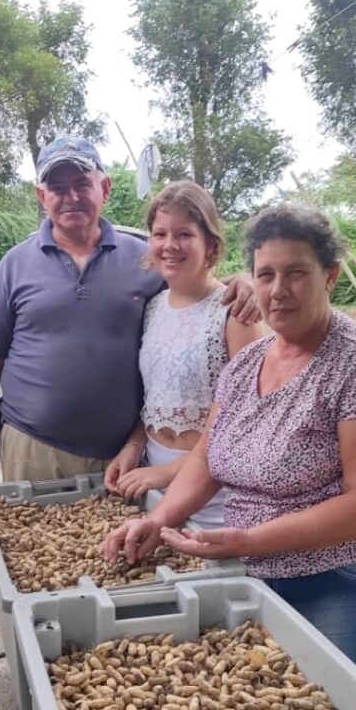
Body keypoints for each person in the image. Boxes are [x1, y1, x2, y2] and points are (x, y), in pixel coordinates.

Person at [102, 204, 356, 686]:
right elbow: (207, 457)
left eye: (296, 273)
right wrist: (159, 519)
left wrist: (249, 541)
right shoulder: (248, 362)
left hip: (341, 581)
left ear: (330, 276)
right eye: (266, 275)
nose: (278, 291)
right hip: (252, 574)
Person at [0, 135, 258, 490]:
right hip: (32, 447)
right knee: (31, 541)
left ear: (105, 188)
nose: (71, 196)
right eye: (58, 187)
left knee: (110, 546)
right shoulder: (15, 264)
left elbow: (194, 286)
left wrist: (245, 282)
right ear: (41, 196)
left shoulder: (144, 257)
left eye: (82, 184)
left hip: (120, 454)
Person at [104, 181, 263, 526]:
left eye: (184, 234)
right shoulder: (152, 308)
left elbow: (249, 419)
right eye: (160, 234)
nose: (170, 245)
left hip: (217, 493)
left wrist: (170, 472)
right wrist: (133, 448)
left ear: (210, 243)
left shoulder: (234, 312)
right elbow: (153, 398)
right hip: (152, 482)